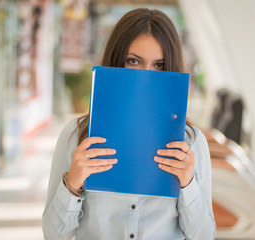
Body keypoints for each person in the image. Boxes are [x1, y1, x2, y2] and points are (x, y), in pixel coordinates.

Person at [42, 8, 215, 240]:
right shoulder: (75, 137)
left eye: (159, 65)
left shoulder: (191, 142)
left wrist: (187, 183)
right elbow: (53, 235)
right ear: (116, 61)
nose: (145, 76)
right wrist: (72, 184)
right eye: (133, 61)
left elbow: (204, 236)